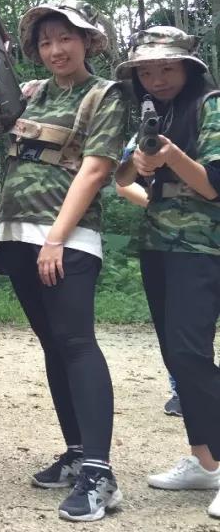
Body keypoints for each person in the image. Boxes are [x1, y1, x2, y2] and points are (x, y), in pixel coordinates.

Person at [0, 0, 129, 522]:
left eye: (66, 38)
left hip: (66, 239)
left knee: (76, 343)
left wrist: (56, 238)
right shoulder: (31, 94)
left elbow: (95, 170)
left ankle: (100, 472)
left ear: (88, 41)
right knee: (54, 345)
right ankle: (77, 452)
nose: (56, 49)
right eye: (46, 41)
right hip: (16, 234)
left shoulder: (105, 94)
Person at [113, 26, 220, 518]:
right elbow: (121, 179)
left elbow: (213, 185)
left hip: (202, 247)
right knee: (177, 357)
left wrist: (171, 154)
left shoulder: (210, 107)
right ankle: (205, 461)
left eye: (167, 68)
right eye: (146, 72)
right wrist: (140, 164)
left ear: (188, 69)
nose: (156, 79)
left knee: (190, 354)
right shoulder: (152, 114)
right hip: (158, 246)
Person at [114, 142, 183, 418]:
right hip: (168, 239)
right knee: (173, 319)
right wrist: (159, 203)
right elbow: (123, 183)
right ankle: (183, 390)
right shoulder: (152, 131)